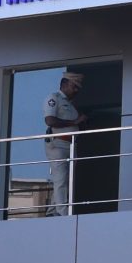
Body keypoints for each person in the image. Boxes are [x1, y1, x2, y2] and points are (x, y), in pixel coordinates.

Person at [43, 71, 87, 215]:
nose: (76, 90)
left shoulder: (71, 105)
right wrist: (74, 122)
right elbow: (50, 120)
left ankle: (52, 211)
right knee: (61, 179)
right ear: (64, 84)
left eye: (78, 88)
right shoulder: (54, 98)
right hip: (58, 144)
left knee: (65, 180)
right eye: (74, 86)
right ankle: (63, 213)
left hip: (70, 145)